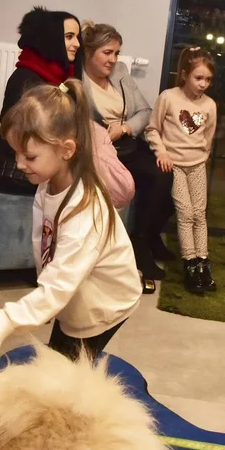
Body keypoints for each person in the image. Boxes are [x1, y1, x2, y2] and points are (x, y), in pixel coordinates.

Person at [0, 80, 141, 362]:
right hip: (77, 294)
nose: (19, 164)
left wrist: (3, 321)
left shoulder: (85, 212)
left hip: (104, 304)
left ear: (66, 149)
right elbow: (43, 241)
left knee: (67, 372)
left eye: (30, 156)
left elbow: (60, 284)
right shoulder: (47, 184)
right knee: (58, 357)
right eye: (16, 153)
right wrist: (44, 296)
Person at [0, 8, 134, 209]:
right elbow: (22, 137)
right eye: (69, 37)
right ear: (51, 38)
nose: (77, 44)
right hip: (24, 166)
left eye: (77, 37)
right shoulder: (25, 78)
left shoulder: (62, 74)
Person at [82, 21, 175, 280]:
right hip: (101, 152)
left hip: (126, 144)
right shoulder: (77, 80)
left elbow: (144, 111)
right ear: (89, 52)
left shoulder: (120, 72)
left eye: (116, 53)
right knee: (153, 181)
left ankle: (147, 237)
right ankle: (141, 247)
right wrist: (105, 134)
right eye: (107, 53)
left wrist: (123, 128)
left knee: (166, 177)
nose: (113, 60)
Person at [146, 47, 217, 295]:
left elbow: (208, 136)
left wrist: (203, 156)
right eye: (198, 78)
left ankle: (203, 262)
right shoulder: (168, 97)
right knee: (185, 213)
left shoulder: (210, 105)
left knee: (199, 213)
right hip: (174, 166)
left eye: (208, 79)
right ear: (185, 74)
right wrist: (162, 153)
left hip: (197, 166)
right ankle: (190, 263)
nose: (203, 84)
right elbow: (152, 129)